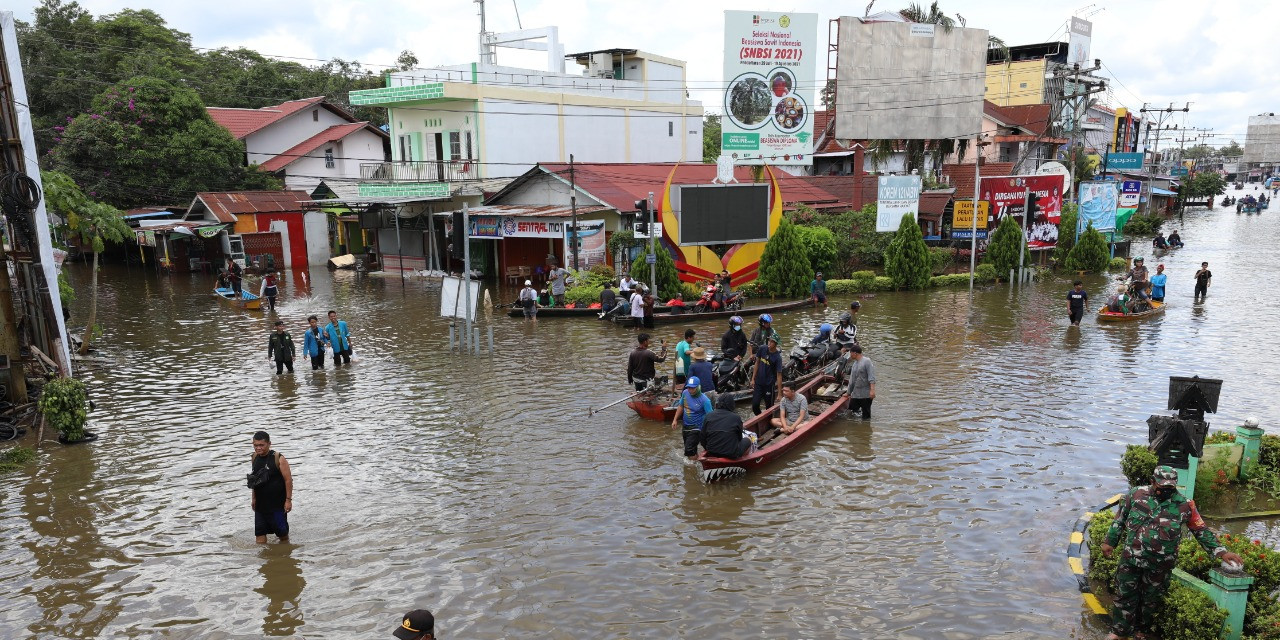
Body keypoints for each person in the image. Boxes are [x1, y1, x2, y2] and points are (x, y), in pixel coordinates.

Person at [1100, 465, 1243, 640]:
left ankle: (1141, 631)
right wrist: (1109, 541)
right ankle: (1119, 631)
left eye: (1170, 487)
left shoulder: (1185, 505)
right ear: (1153, 482)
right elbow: (1120, 519)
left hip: (1160, 565)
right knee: (1125, 596)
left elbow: (1200, 530)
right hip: (1131, 559)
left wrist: (1221, 552)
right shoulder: (1136, 495)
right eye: (1162, 487)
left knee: (1150, 601)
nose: (1166, 491)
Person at [250, 431, 293, 544]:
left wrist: (288, 500)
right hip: (260, 505)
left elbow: (288, 480)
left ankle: (282, 556)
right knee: (259, 538)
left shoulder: (278, 458)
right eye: (255, 445)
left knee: (283, 537)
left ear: (269, 444)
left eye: (261, 445)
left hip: (277, 505)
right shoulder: (254, 458)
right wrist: (253, 498)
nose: (258, 448)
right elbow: (255, 480)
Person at [700, 393, 756, 459]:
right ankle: (744, 458)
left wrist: (707, 448)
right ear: (731, 404)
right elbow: (739, 438)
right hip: (731, 454)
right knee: (748, 440)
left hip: (712, 452)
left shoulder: (708, 416)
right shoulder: (736, 417)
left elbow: (702, 438)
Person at [671, 376, 713, 459]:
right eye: (689, 387)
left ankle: (692, 468)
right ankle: (697, 462)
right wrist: (675, 420)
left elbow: (711, 417)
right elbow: (681, 406)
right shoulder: (685, 393)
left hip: (697, 428)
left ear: (698, 387)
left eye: (692, 388)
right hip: (686, 426)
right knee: (691, 449)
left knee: (689, 450)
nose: (690, 390)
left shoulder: (705, 400)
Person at [750, 336, 783, 415]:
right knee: (755, 405)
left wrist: (779, 394)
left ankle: (769, 421)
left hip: (769, 385)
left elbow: (779, 375)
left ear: (775, 344)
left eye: (772, 342)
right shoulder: (762, 349)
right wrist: (753, 379)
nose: (769, 343)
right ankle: (760, 418)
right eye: (769, 341)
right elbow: (757, 363)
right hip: (758, 383)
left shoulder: (778, 358)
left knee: (769, 407)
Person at [842, 344, 876, 419]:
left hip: (866, 394)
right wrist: (848, 393)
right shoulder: (855, 364)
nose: (850, 355)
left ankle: (865, 429)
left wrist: (872, 391)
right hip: (856, 394)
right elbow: (852, 380)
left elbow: (871, 377)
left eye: (850, 353)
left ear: (855, 353)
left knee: (866, 416)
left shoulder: (867, 361)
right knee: (851, 412)